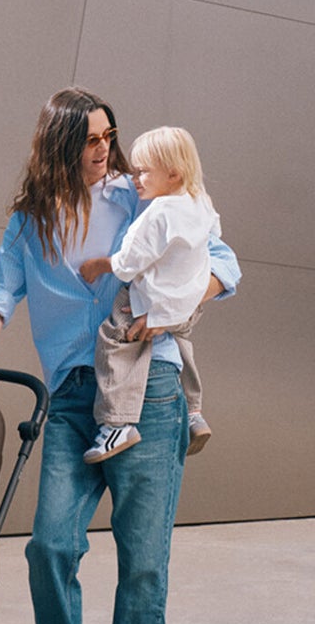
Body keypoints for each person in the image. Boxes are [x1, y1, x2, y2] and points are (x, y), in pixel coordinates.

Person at [0, 89, 239, 624]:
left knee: (143, 561)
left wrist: (170, 313)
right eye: (90, 139)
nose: (105, 149)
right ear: (59, 145)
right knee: (49, 548)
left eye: (109, 135)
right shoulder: (30, 223)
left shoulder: (139, 196)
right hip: (73, 397)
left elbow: (222, 261)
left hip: (150, 388)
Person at [78, 125, 218, 465]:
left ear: (173, 174)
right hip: (187, 305)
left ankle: (118, 424)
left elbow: (127, 265)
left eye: (142, 172)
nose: (135, 178)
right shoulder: (201, 203)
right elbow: (213, 235)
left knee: (114, 341)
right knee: (181, 343)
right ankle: (194, 410)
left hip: (148, 303)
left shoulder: (157, 213)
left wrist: (98, 265)